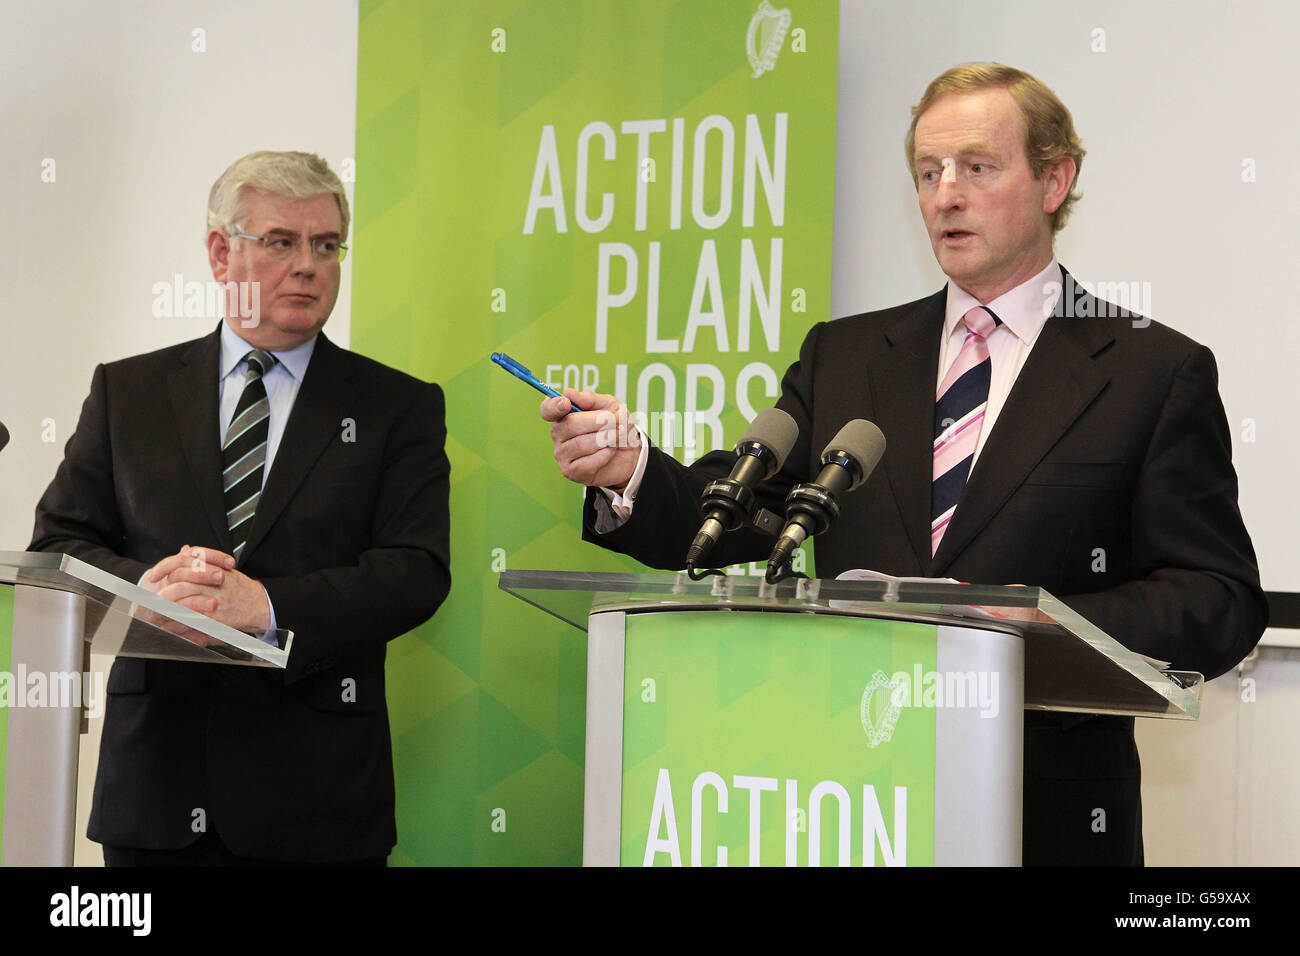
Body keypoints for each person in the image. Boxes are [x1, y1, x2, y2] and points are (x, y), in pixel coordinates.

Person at [540, 64, 1267, 866]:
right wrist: (629, 470)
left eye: (976, 168)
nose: (945, 195)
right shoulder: (847, 354)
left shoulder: (1150, 371)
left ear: (1054, 179)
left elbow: (1217, 599)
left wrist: (1029, 626)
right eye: (928, 172)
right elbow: (746, 514)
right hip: (844, 803)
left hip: (1044, 816)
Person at [30, 151, 450, 865]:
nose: (310, 265)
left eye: (326, 246)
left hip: (318, 805)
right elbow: (57, 548)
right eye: (281, 242)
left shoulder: (395, 407)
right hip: (156, 793)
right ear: (221, 253)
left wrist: (270, 607)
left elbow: (416, 571)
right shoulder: (128, 393)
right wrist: (143, 594)